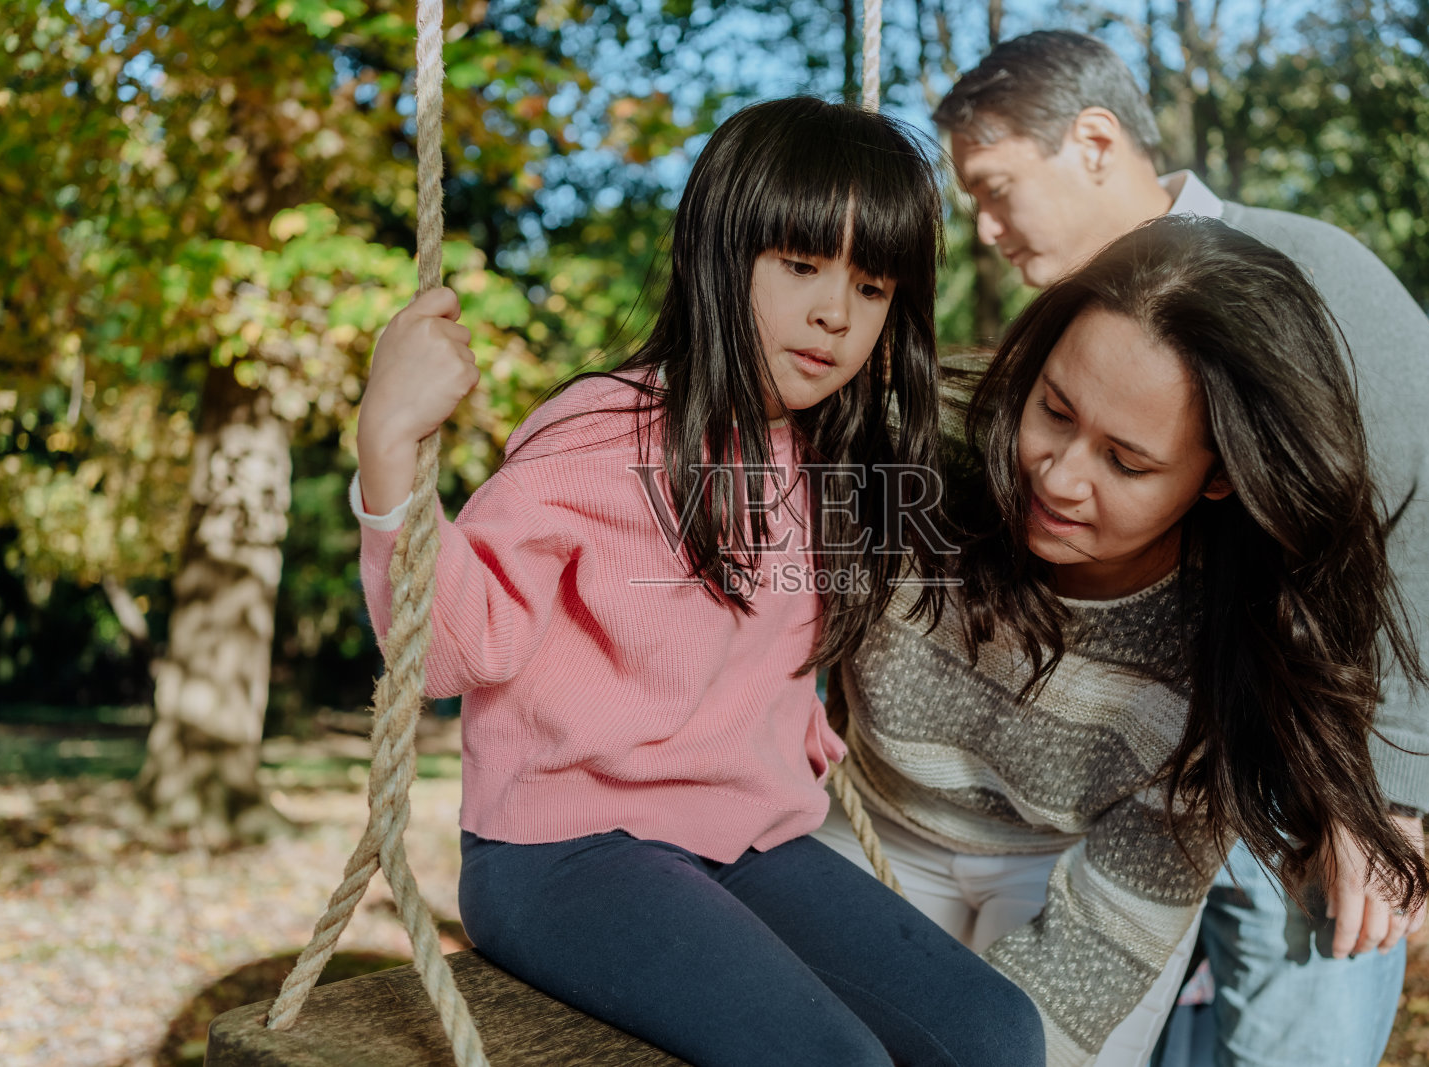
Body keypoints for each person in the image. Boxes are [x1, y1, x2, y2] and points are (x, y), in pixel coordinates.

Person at [348, 96, 1046, 1067]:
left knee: (993, 1031)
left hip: (745, 839)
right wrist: (387, 450)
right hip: (566, 850)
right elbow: (451, 648)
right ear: (720, 255)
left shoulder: (827, 459)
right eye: (799, 265)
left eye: (872, 285)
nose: (834, 312)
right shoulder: (603, 430)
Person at [921, 30, 1429, 1067]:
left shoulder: (1311, 276)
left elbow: (1424, 520)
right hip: (1113, 780)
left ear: (1092, 141)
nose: (985, 227)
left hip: (1286, 785)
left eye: (996, 189)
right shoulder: (1075, 321)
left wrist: (1384, 797)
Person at [817, 213, 1429, 1067]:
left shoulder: (1228, 645)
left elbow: (1090, 958)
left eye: (1127, 462)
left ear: (1221, 473)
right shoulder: (910, 450)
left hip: (1062, 872)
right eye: (1054, 410)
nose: (1061, 476)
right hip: (864, 820)